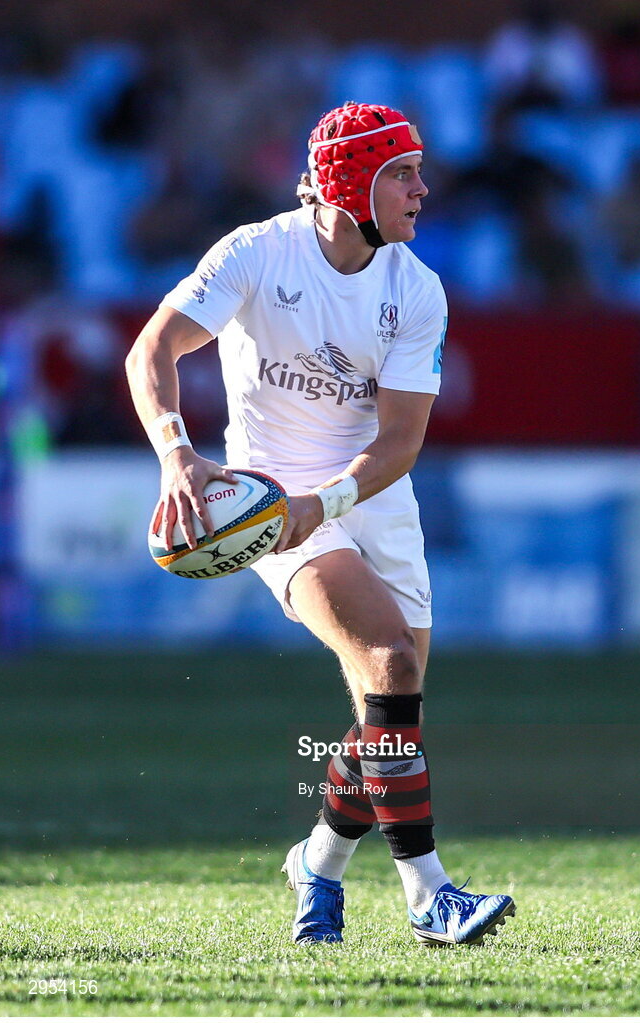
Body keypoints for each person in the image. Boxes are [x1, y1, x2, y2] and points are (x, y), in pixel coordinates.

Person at [125, 101, 516, 947]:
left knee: (390, 705)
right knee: (391, 659)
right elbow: (151, 351)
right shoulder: (256, 253)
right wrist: (176, 453)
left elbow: (401, 442)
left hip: (365, 494)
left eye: (418, 171)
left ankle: (318, 862)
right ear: (351, 184)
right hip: (271, 503)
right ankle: (431, 896)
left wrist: (328, 503)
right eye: (402, 175)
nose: (423, 189)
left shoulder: (416, 287)